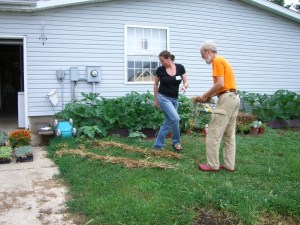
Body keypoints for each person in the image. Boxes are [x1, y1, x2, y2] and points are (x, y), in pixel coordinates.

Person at [198, 40, 240, 172]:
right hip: (234, 97)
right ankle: (229, 165)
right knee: (229, 135)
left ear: (208, 51)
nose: (202, 57)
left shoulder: (217, 61)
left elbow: (220, 84)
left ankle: (212, 165)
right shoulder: (224, 60)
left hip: (226, 98)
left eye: (202, 53)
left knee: (213, 132)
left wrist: (205, 95)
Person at [153, 50, 189, 151]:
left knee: (169, 121)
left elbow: (186, 82)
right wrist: (155, 100)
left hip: (174, 99)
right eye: (160, 61)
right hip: (163, 98)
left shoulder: (180, 67)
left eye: (162, 61)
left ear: (169, 59)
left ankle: (158, 145)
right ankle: (176, 142)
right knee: (176, 118)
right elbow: (156, 84)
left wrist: (184, 86)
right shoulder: (160, 70)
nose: (161, 63)